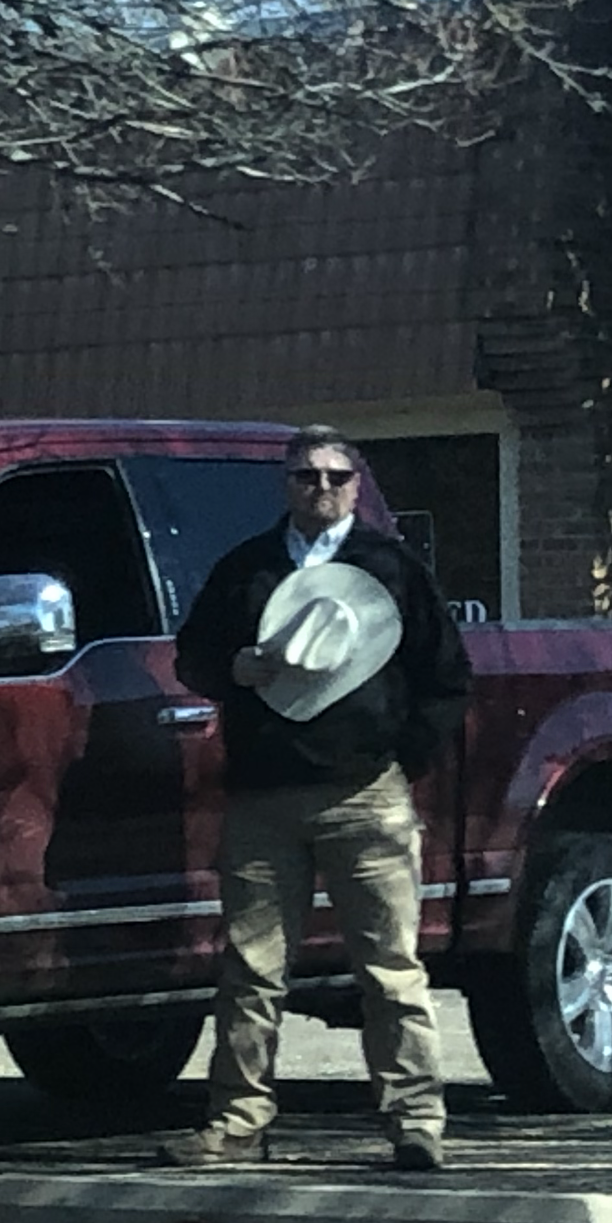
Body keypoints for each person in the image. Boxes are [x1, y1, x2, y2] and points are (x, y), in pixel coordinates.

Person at [162, 425, 472, 1173]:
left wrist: (397, 758)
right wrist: (232, 668)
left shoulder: (391, 568)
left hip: (366, 795)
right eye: (307, 476)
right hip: (262, 798)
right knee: (251, 970)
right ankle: (237, 1122)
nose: (322, 489)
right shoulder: (247, 568)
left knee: (390, 969)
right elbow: (193, 656)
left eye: (337, 476)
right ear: (286, 484)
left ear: (357, 485)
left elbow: (446, 677)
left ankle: (415, 1122)